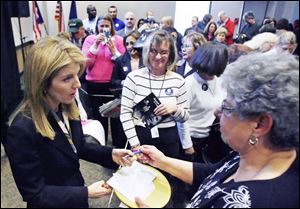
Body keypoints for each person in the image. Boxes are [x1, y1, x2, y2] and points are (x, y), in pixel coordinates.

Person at [136, 51, 299, 208]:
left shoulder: (262, 201)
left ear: (260, 124)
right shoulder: (252, 154)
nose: (217, 112)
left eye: (227, 107)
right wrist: (162, 161)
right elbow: (214, 174)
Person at [2, 36, 134, 208]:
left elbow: (77, 146)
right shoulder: (22, 129)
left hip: (74, 192)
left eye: (77, 75)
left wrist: (111, 154)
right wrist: (85, 193)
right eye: (67, 79)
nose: (78, 84)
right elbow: (35, 194)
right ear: (42, 83)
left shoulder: (67, 104)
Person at [120, 29, 189, 159]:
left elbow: (185, 117)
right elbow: (125, 114)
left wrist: (175, 109)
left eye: (163, 52)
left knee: (167, 179)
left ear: (170, 54)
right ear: (147, 52)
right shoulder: (133, 78)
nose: (158, 57)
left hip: (169, 142)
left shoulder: (178, 80)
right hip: (140, 139)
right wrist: (135, 144)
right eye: (154, 51)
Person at [82, 15, 126, 145]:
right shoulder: (89, 39)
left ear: (111, 27)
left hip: (114, 86)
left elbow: (124, 64)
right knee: (99, 119)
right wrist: (95, 45)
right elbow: (86, 63)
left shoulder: (119, 40)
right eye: (101, 26)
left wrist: (113, 50)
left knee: (116, 121)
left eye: (107, 26)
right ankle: (102, 148)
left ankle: (118, 148)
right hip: (95, 86)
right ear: (97, 27)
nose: (104, 28)